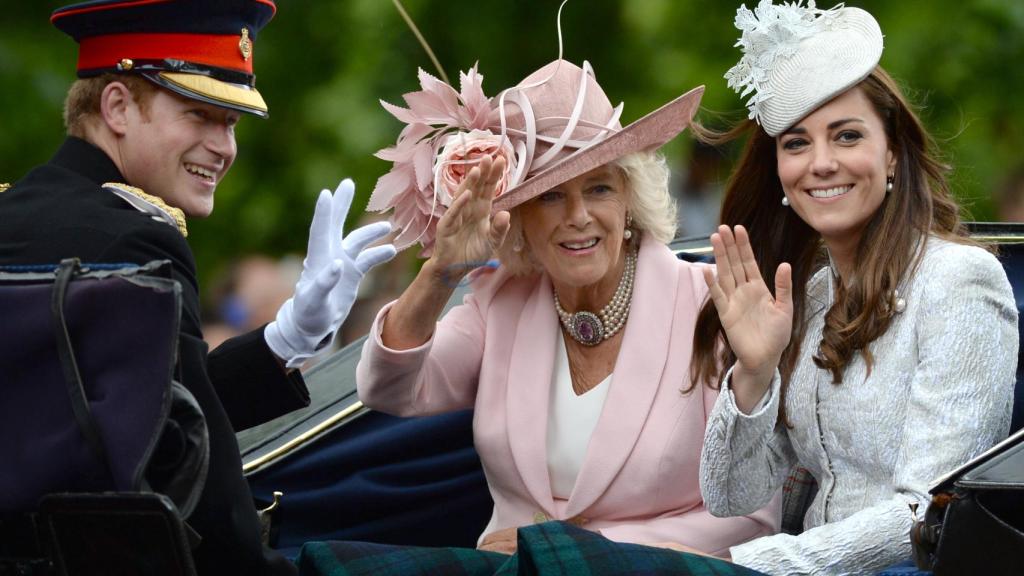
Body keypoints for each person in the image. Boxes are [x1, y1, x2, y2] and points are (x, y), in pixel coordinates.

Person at [0, 1, 395, 574]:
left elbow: (150, 418)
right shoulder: (138, 240)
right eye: (199, 114)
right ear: (117, 107)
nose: (224, 147)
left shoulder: (14, 213)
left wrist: (285, 340)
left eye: (230, 123)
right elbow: (208, 497)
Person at [356, 58, 779, 556]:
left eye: (599, 188)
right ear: (520, 218)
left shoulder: (711, 307)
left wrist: (574, 550)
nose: (578, 216)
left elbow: (753, 517)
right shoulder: (500, 304)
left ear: (628, 201)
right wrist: (441, 274)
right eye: (551, 196)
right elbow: (389, 389)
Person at [692, 1, 1019, 574]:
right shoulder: (808, 296)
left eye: (846, 136)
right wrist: (754, 371)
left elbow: (925, 513)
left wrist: (747, 565)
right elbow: (731, 495)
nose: (821, 163)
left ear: (891, 154)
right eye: (796, 143)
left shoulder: (960, 281)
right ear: (780, 172)